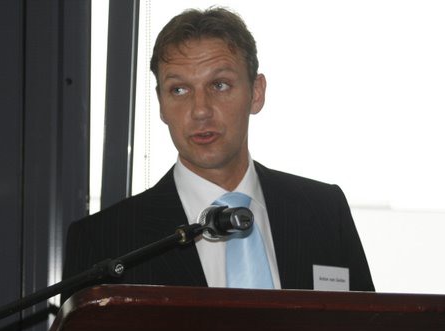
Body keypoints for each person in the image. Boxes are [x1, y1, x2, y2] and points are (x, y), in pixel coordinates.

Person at [63, 7, 374, 294]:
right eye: (179, 90)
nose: (200, 110)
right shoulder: (105, 241)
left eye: (220, 85)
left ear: (256, 93)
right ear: (161, 105)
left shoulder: (324, 213)